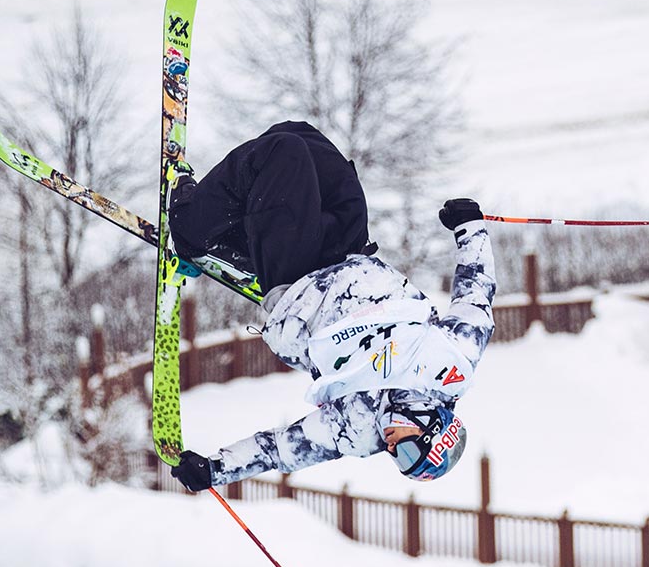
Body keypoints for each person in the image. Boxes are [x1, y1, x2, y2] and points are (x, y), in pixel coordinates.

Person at [164, 121, 494, 490]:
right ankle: (232, 230)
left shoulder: (358, 425)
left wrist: (214, 470)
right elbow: (475, 295)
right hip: (352, 255)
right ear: (429, 425)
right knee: (310, 145)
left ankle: (189, 226)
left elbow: (282, 449)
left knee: (283, 154)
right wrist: (470, 228)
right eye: (404, 453)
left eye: (397, 461)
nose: (389, 449)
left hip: (303, 289)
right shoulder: (454, 361)